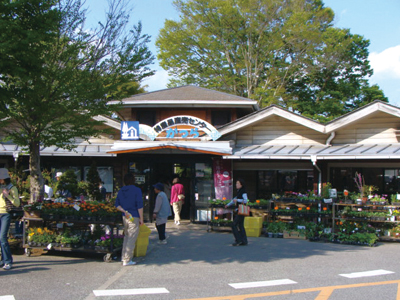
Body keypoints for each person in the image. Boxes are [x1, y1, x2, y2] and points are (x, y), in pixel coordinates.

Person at [115, 173, 143, 266]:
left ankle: (124, 257)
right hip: (134, 216)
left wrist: (124, 211)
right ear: (133, 180)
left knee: (126, 236)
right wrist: (141, 219)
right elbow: (139, 206)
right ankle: (127, 259)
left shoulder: (121, 191)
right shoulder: (137, 190)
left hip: (125, 215)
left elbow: (117, 205)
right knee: (132, 237)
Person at [0, 168, 20, 270]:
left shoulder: (12, 188)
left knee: (2, 238)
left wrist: (8, 196)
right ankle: (2, 260)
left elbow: (17, 203)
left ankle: (8, 261)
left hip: (5, 214)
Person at [225, 178, 248, 246]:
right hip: (240, 210)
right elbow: (234, 200)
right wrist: (228, 205)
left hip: (241, 210)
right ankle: (244, 240)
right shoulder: (239, 191)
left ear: (241, 184)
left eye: (238, 183)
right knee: (240, 225)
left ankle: (238, 240)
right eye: (236, 183)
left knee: (234, 224)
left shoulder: (243, 192)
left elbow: (246, 200)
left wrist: (238, 200)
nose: (236, 185)